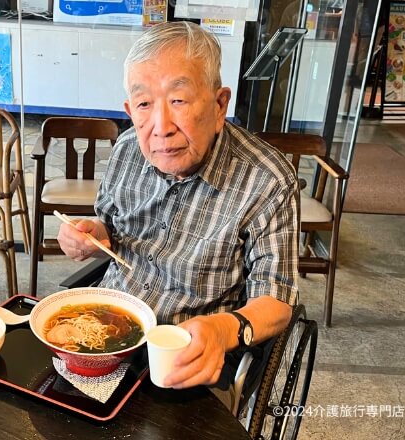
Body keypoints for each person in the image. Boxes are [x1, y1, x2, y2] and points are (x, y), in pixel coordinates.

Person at [57, 21, 299, 411]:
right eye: (144, 104)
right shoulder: (126, 151)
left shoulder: (266, 181)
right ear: (129, 110)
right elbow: (110, 232)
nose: (161, 128)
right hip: (109, 327)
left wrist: (225, 330)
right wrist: (92, 235)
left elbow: (278, 299)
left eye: (179, 101)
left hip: (191, 352)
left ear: (220, 105)